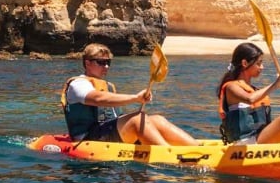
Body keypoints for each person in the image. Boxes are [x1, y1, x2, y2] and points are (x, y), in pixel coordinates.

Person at [62, 43, 198, 146]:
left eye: (108, 62)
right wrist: (135, 98)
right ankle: (169, 155)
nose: (106, 67)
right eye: (101, 62)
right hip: (87, 139)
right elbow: (96, 98)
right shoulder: (78, 84)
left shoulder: (108, 86)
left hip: (106, 132)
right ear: (87, 63)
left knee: (157, 119)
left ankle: (195, 146)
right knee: (137, 119)